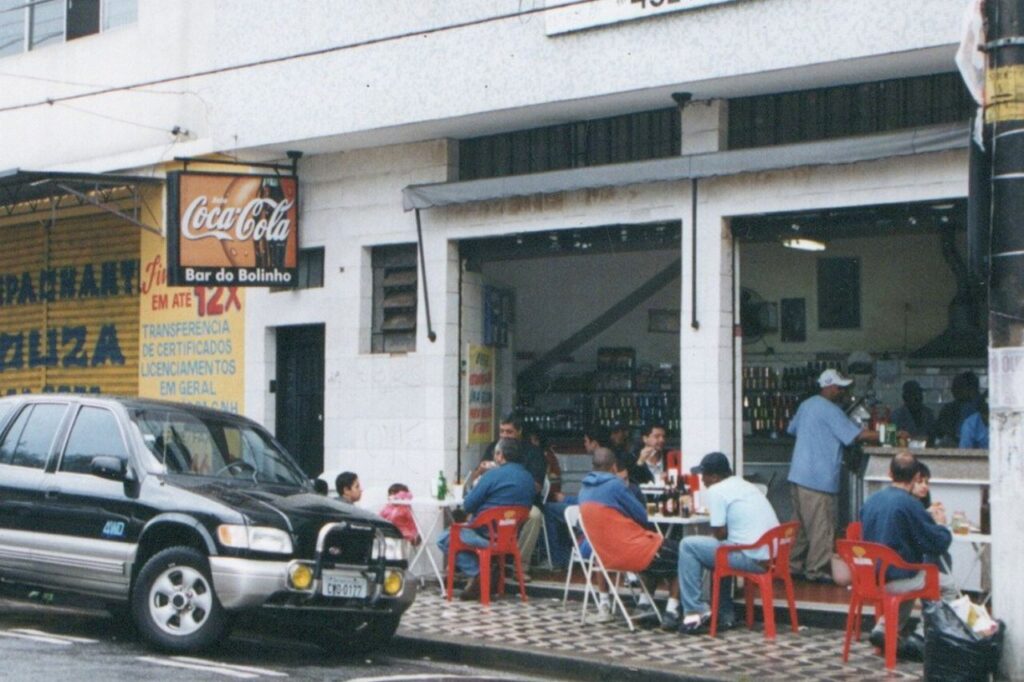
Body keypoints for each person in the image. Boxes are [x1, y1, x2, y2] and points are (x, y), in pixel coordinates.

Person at [861, 451, 958, 657]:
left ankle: (884, 628)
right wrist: (941, 525)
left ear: (889, 473)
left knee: (909, 576)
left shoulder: (870, 502)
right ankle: (922, 636)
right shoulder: (910, 504)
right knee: (946, 585)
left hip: (870, 578)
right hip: (897, 578)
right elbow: (937, 543)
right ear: (915, 477)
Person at [787, 369, 877, 583]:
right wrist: (888, 433)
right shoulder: (831, 410)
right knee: (821, 527)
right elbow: (856, 436)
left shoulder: (806, 405)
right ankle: (816, 571)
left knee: (801, 526)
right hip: (819, 478)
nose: (843, 392)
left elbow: (792, 429)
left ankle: (792, 566)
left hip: (798, 475)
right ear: (828, 387)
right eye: (840, 387)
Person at [675, 452, 780, 634]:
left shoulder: (717, 490)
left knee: (687, 546)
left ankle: (695, 611)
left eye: (704, 476)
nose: (702, 481)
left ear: (714, 477)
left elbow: (720, 534)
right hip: (770, 555)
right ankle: (725, 613)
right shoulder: (745, 484)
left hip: (752, 558)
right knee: (721, 552)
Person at [578, 447, 682, 627]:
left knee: (658, 550)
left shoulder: (583, 491)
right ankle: (672, 610)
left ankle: (644, 603)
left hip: (605, 558)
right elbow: (642, 515)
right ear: (613, 467)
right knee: (684, 552)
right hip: (634, 554)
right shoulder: (615, 485)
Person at [437, 438, 535, 600]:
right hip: (510, 538)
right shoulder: (528, 478)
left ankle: (480, 572)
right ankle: (484, 572)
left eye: (496, 454)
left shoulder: (492, 475)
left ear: (500, 455)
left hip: (484, 535)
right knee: (461, 532)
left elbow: (468, 504)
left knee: (444, 538)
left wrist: (480, 478)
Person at [934, 371, 981, 446]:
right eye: (954, 387)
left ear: (972, 388)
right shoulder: (948, 409)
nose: (954, 390)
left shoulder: (981, 408)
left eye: (959, 387)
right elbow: (939, 432)